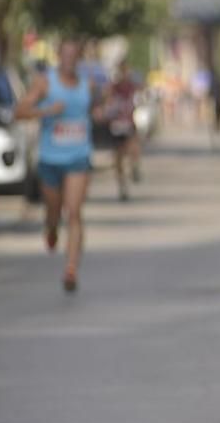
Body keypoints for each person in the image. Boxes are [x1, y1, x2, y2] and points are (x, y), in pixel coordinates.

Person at [15, 38, 104, 293]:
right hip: (51, 159)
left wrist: (100, 112)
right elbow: (20, 112)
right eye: (65, 55)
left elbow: (98, 110)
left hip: (78, 157)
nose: (69, 60)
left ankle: (71, 268)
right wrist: (47, 111)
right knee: (54, 212)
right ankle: (51, 228)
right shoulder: (45, 83)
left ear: (79, 58)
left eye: (74, 56)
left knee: (73, 212)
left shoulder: (87, 85)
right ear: (58, 56)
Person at [107, 60, 142, 201]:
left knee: (134, 147)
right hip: (116, 126)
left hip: (128, 124)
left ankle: (134, 167)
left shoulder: (132, 87)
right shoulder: (113, 88)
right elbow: (107, 102)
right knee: (118, 158)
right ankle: (122, 186)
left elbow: (141, 94)